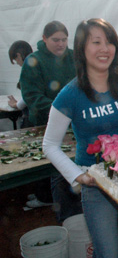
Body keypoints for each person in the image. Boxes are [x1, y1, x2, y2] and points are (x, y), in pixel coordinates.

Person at [43, 18, 118, 258]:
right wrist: (78, 177)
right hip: (96, 183)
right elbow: (50, 145)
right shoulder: (70, 95)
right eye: (96, 42)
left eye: (110, 41)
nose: (105, 48)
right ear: (81, 48)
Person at [20, 21, 81, 217]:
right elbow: (32, 97)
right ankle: (67, 218)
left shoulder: (74, 57)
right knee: (58, 171)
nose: (60, 44)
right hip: (45, 124)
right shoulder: (33, 61)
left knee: (76, 166)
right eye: (55, 40)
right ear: (44, 39)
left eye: (64, 39)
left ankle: (80, 213)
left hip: (75, 124)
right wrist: (62, 111)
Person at [7, 40, 34, 129]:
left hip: (32, 117)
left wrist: (15, 104)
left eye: (15, 60)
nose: (18, 63)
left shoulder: (29, 70)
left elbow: (29, 96)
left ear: (18, 55)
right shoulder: (39, 65)